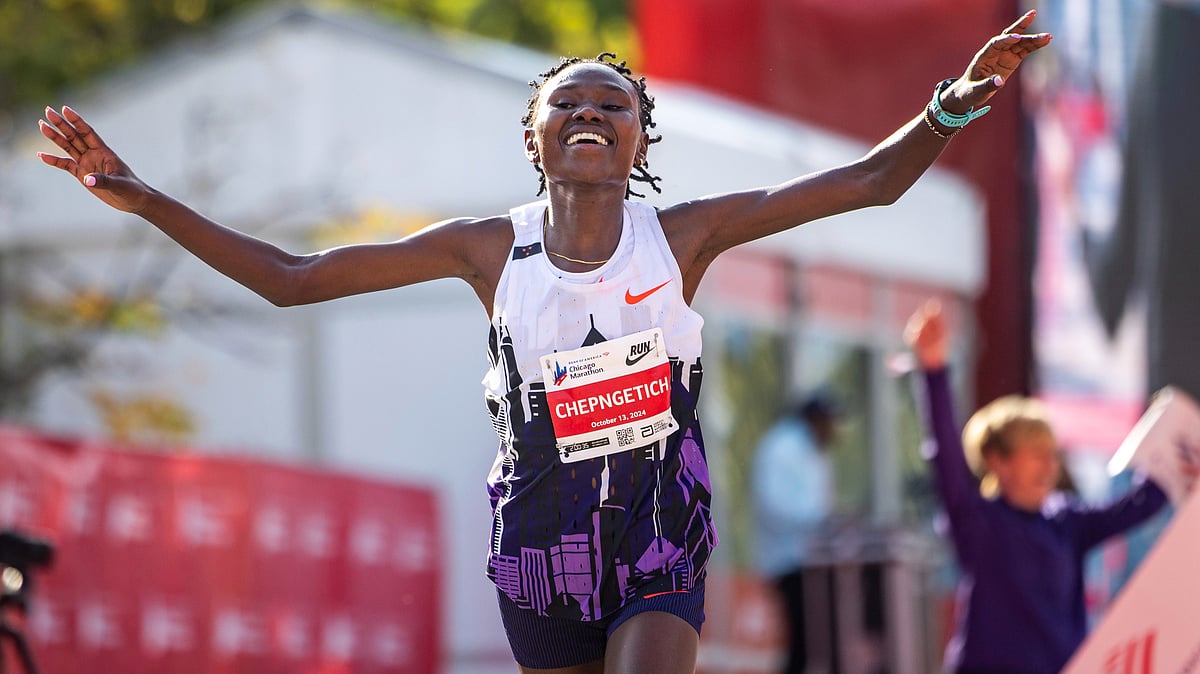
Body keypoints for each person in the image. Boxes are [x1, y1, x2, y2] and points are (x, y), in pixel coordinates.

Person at [37, 13, 1050, 673]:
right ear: (534, 135)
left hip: (657, 531)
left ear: (640, 141)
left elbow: (868, 184)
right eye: (569, 102)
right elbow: (292, 278)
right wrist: (143, 197)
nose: (592, 114)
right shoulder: (488, 248)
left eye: (615, 105)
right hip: (538, 543)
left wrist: (950, 103)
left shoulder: (681, 236)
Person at [903, 300, 1170, 674]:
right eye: (1036, 454)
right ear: (997, 460)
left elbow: (1143, 503)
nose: (1049, 465)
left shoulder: (1068, 521)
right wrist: (934, 370)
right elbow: (944, 452)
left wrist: (1172, 442)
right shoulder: (977, 522)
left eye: (1052, 454)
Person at [751, 394, 840, 674]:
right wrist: (821, 519)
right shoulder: (782, 447)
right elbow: (774, 505)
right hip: (791, 563)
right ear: (816, 419)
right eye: (829, 421)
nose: (833, 430)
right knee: (802, 646)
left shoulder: (814, 452)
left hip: (812, 563)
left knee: (814, 645)